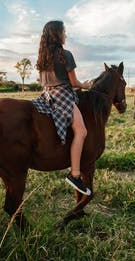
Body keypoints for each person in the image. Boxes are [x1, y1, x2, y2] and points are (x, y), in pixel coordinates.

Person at [33, 20, 91, 195]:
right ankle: (74, 174)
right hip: (63, 96)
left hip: (47, 95)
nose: (65, 35)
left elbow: (51, 82)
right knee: (81, 131)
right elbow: (73, 82)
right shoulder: (66, 54)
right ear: (57, 34)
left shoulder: (43, 57)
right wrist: (86, 85)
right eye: (64, 32)